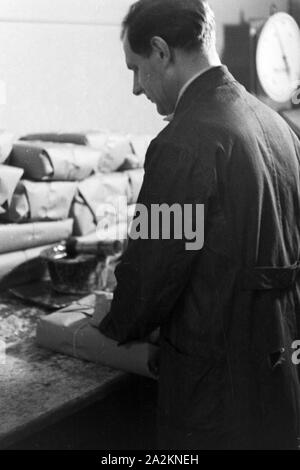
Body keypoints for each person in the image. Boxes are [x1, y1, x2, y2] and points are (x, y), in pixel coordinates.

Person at [99, 0, 300, 450]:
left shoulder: (184, 144)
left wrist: (114, 324)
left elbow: (151, 273)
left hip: (216, 398)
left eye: (135, 68)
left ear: (160, 51)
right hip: (281, 376)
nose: (135, 88)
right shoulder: (279, 127)